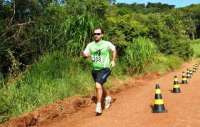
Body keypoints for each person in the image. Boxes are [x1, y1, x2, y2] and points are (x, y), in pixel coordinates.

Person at [81, 28, 116, 115]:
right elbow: (86, 55)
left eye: (98, 33)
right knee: (100, 85)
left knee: (97, 85)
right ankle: (107, 97)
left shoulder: (106, 43)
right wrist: (84, 55)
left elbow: (114, 49)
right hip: (95, 70)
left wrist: (113, 60)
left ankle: (99, 105)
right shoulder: (90, 45)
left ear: (102, 35)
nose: (96, 35)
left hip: (105, 68)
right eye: (94, 34)